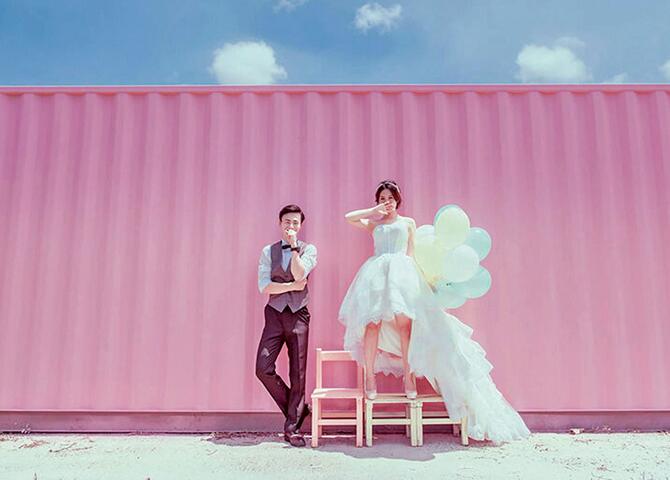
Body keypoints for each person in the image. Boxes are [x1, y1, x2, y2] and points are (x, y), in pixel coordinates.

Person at [338, 180, 530, 444]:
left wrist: (422, 283)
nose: (387, 201)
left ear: (397, 199)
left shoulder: (408, 223)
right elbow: (349, 217)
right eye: (382, 198)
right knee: (371, 324)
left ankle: (409, 378)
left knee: (405, 327)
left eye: (390, 197)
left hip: (402, 275)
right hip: (376, 276)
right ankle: (370, 378)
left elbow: (411, 253)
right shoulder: (375, 223)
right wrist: (374, 211)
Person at [256, 204, 317, 447]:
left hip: (299, 314)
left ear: (300, 226)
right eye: (287, 222)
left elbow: (300, 274)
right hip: (274, 314)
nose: (291, 226)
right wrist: (291, 286)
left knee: (298, 373)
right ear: (280, 223)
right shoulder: (267, 252)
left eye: (295, 222)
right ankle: (299, 410)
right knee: (263, 368)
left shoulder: (308, 249)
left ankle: (293, 428)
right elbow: (265, 287)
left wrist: (293, 248)